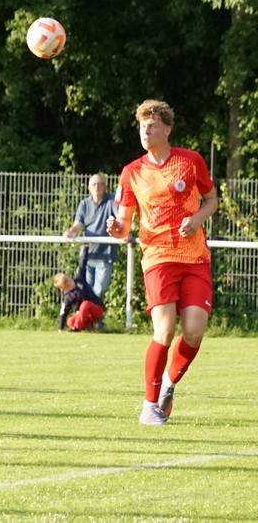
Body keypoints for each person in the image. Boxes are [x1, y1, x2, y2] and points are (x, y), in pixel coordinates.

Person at [106, 99, 218, 427]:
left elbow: (211, 200)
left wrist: (197, 218)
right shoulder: (131, 172)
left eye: (152, 125)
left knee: (194, 331)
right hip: (157, 258)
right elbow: (124, 225)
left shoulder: (191, 161)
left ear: (167, 129)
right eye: (142, 125)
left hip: (195, 257)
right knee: (165, 329)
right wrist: (117, 229)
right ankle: (148, 406)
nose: (146, 130)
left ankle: (168, 384)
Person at [63, 173, 119, 301]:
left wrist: (123, 231)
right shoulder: (84, 204)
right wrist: (70, 233)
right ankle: (93, 320)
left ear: (105, 186)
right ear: (89, 187)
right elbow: (77, 226)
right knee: (86, 292)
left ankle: (93, 318)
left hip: (105, 255)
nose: (97, 187)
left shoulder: (112, 201)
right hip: (87, 255)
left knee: (98, 291)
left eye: (100, 184)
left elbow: (120, 219)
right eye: (94, 184)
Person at [54, 252, 105, 332]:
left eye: (70, 281)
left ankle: (77, 328)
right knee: (70, 321)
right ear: (64, 289)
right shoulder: (68, 296)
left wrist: (86, 247)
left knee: (85, 304)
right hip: (84, 314)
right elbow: (64, 311)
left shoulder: (79, 278)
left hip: (96, 309)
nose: (71, 284)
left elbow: (82, 262)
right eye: (68, 286)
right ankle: (88, 326)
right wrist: (60, 328)